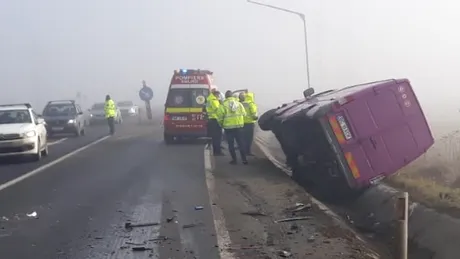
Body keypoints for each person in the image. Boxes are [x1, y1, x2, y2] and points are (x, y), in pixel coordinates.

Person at [217, 90, 247, 165]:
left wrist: (221, 125)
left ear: (226, 97)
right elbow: (244, 114)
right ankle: (244, 160)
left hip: (228, 128)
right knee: (241, 143)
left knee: (231, 144)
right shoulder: (239, 104)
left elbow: (220, 117)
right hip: (239, 127)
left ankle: (234, 160)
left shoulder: (223, 105)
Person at [205, 89, 223, 156]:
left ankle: (214, 149)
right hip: (215, 120)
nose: (219, 96)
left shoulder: (209, 99)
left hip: (211, 120)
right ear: (215, 94)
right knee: (217, 137)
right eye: (218, 95)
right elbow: (218, 110)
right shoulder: (214, 100)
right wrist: (221, 104)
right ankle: (217, 151)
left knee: (213, 137)